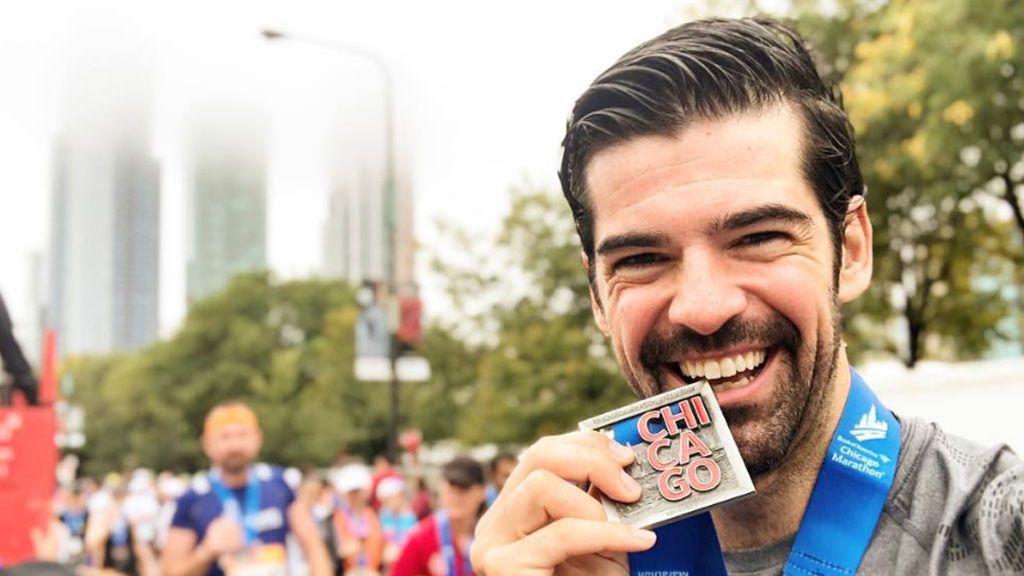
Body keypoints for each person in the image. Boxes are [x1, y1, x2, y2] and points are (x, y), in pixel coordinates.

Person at [470, 16, 1024, 576]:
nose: (704, 308)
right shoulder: (566, 552)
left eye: (758, 238)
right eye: (641, 260)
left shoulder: (997, 531)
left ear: (851, 249)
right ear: (597, 296)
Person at [161, 402, 331, 576]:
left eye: (242, 435)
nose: (235, 445)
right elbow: (170, 571)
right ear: (207, 443)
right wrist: (206, 551)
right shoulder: (193, 497)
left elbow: (314, 547)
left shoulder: (277, 483)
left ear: (257, 438)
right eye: (225, 437)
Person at [392, 456, 486, 576]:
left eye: (463, 489)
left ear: (481, 492)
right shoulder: (421, 536)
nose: (456, 497)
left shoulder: (494, 537)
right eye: (451, 489)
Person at [330, 464, 384, 575]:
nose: (355, 496)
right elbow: (334, 550)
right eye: (351, 493)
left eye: (357, 491)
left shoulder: (376, 515)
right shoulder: (335, 518)